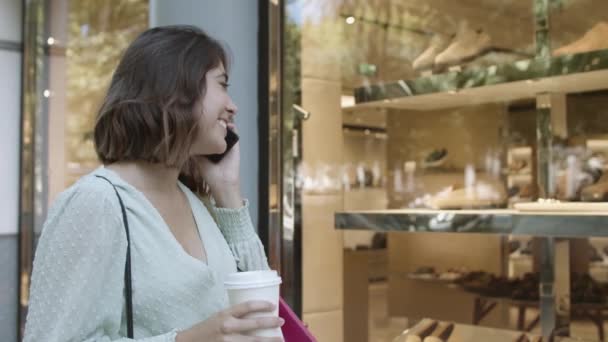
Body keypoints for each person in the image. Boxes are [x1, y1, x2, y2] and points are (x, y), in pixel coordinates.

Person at [23, 25, 283, 341]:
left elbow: (262, 315)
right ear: (176, 88)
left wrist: (227, 189)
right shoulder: (95, 203)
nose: (232, 105)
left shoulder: (196, 201)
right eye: (222, 84)